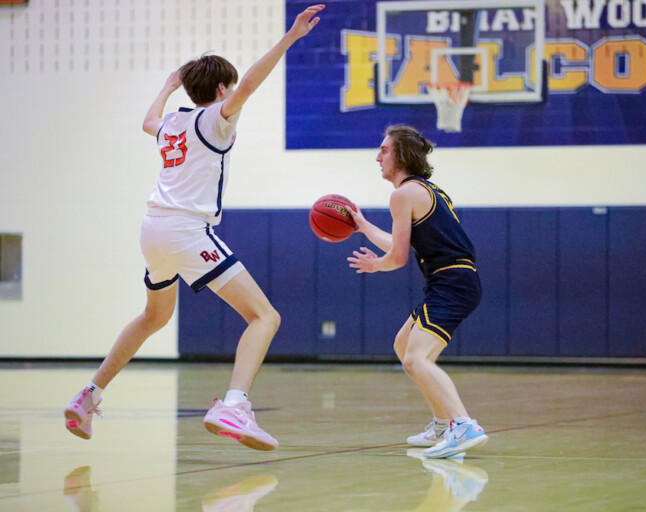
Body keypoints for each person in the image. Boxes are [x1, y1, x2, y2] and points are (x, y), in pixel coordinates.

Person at [63, 4, 326, 450]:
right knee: (265, 316)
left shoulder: (173, 124)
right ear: (222, 88)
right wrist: (290, 38)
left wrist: (167, 86)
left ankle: (89, 396)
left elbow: (148, 121)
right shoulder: (215, 117)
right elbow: (250, 83)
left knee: (153, 316)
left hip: (152, 230)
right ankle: (234, 405)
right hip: (185, 230)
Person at [347, 125, 488, 459]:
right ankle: (442, 423)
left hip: (452, 282)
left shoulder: (403, 194)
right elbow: (402, 246)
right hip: (452, 280)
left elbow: (395, 258)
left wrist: (375, 265)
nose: (378, 156)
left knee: (416, 357)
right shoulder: (423, 190)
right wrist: (363, 226)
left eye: (384, 150)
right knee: (403, 344)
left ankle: (463, 424)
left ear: (402, 155)